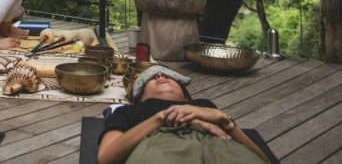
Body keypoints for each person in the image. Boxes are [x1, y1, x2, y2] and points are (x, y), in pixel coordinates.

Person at [98, 65, 269, 163]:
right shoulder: (128, 111)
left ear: (185, 95)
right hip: (163, 144)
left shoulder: (204, 105)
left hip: (220, 144)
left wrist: (226, 123)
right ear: (140, 98)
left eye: (168, 75)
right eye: (151, 78)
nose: (160, 75)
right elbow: (106, 157)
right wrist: (161, 118)